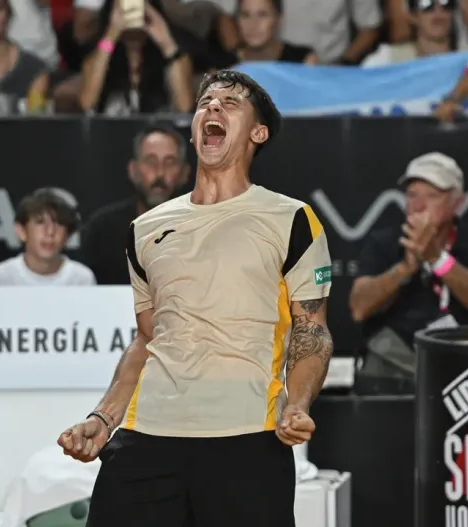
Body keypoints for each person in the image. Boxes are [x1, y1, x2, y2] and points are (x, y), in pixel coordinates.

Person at [58, 70, 335, 526]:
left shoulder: (292, 220)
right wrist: (104, 419)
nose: (213, 107)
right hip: (146, 437)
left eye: (230, 103)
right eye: (205, 102)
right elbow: (147, 339)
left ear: (258, 133)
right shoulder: (144, 229)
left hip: (246, 438)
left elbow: (312, 330)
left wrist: (298, 405)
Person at [349, 153, 468, 348]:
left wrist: (438, 259)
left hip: (461, 351)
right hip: (396, 353)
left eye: (432, 196)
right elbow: (359, 309)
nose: (419, 206)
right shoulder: (383, 241)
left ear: (457, 203)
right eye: (412, 195)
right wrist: (405, 269)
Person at [77, 124, 190, 284]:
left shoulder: (202, 229)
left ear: (184, 173)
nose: (160, 173)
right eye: (151, 162)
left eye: (170, 162)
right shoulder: (102, 231)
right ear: (133, 170)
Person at [0, 189, 95, 286]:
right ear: (21, 231)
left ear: (68, 235)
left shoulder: (82, 278)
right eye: (40, 222)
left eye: (58, 223)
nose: (50, 232)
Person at [231, 0, 318, 64]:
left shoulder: (302, 61)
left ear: (279, 19)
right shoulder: (226, 64)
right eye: (245, 15)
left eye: (262, 15)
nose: (252, 24)